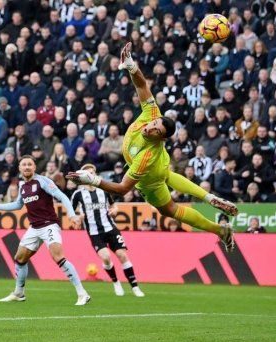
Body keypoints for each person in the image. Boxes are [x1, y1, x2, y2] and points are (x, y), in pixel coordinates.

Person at [68, 43, 238, 251]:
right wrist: (132, 66)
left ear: (161, 139)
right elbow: (142, 86)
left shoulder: (147, 155)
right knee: (167, 173)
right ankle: (209, 197)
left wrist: (92, 180)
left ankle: (220, 230)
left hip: (150, 180)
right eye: (153, 124)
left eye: (156, 131)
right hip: (162, 165)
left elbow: (122, 188)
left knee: (170, 209)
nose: (150, 128)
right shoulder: (152, 113)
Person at [0, 155, 89, 306]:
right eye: (24, 165)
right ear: (19, 168)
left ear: (34, 167)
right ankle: (19, 293)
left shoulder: (43, 181)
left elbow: (62, 196)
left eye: (29, 165)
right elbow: (18, 205)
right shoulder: (22, 186)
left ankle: (82, 293)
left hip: (49, 225)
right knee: (20, 258)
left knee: (58, 257)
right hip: (34, 227)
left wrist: (72, 215)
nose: (26, 167)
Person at [71, 164, 144, 297]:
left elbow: (113, 205)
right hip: (94, 232)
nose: (90, 175)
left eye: (92, 172)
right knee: (106, 257)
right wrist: (78, 217)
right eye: (87, 173)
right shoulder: (78, 194)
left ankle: (135, 287)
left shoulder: (103, 190)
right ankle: (116, 282)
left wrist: (115, 210)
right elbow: (71, 212)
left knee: (122, 255)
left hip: (111, 228)